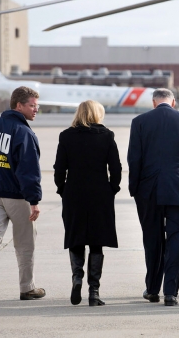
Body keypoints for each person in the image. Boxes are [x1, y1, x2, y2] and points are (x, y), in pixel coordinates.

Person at [127, 88, 179, 306]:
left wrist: (134, 188)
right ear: (173, 103)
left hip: (149, 190)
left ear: (154, 103)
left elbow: (134, 159)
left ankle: (153, 289)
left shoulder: (139, 122)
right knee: (177, 238)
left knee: (152, 239)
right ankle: (171, 291)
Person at [0, 86, 46, 305]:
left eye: (37, 105)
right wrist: (34, 200)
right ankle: (27, 288)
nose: (36, 110)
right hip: (16, 196)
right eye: (32, 105)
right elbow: (29, 171)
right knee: (25, 243)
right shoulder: (24, 132)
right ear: (18, 105)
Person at [53, 100, 122, 306]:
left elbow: (59, 169)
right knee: (97, 242)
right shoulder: (107, 136)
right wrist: (112, 189)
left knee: (75, 238)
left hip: (74, 193)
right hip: (100, 193)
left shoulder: (66, 136)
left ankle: (77, 278)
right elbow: (116, 168)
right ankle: (94, 291)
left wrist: (62, 189)